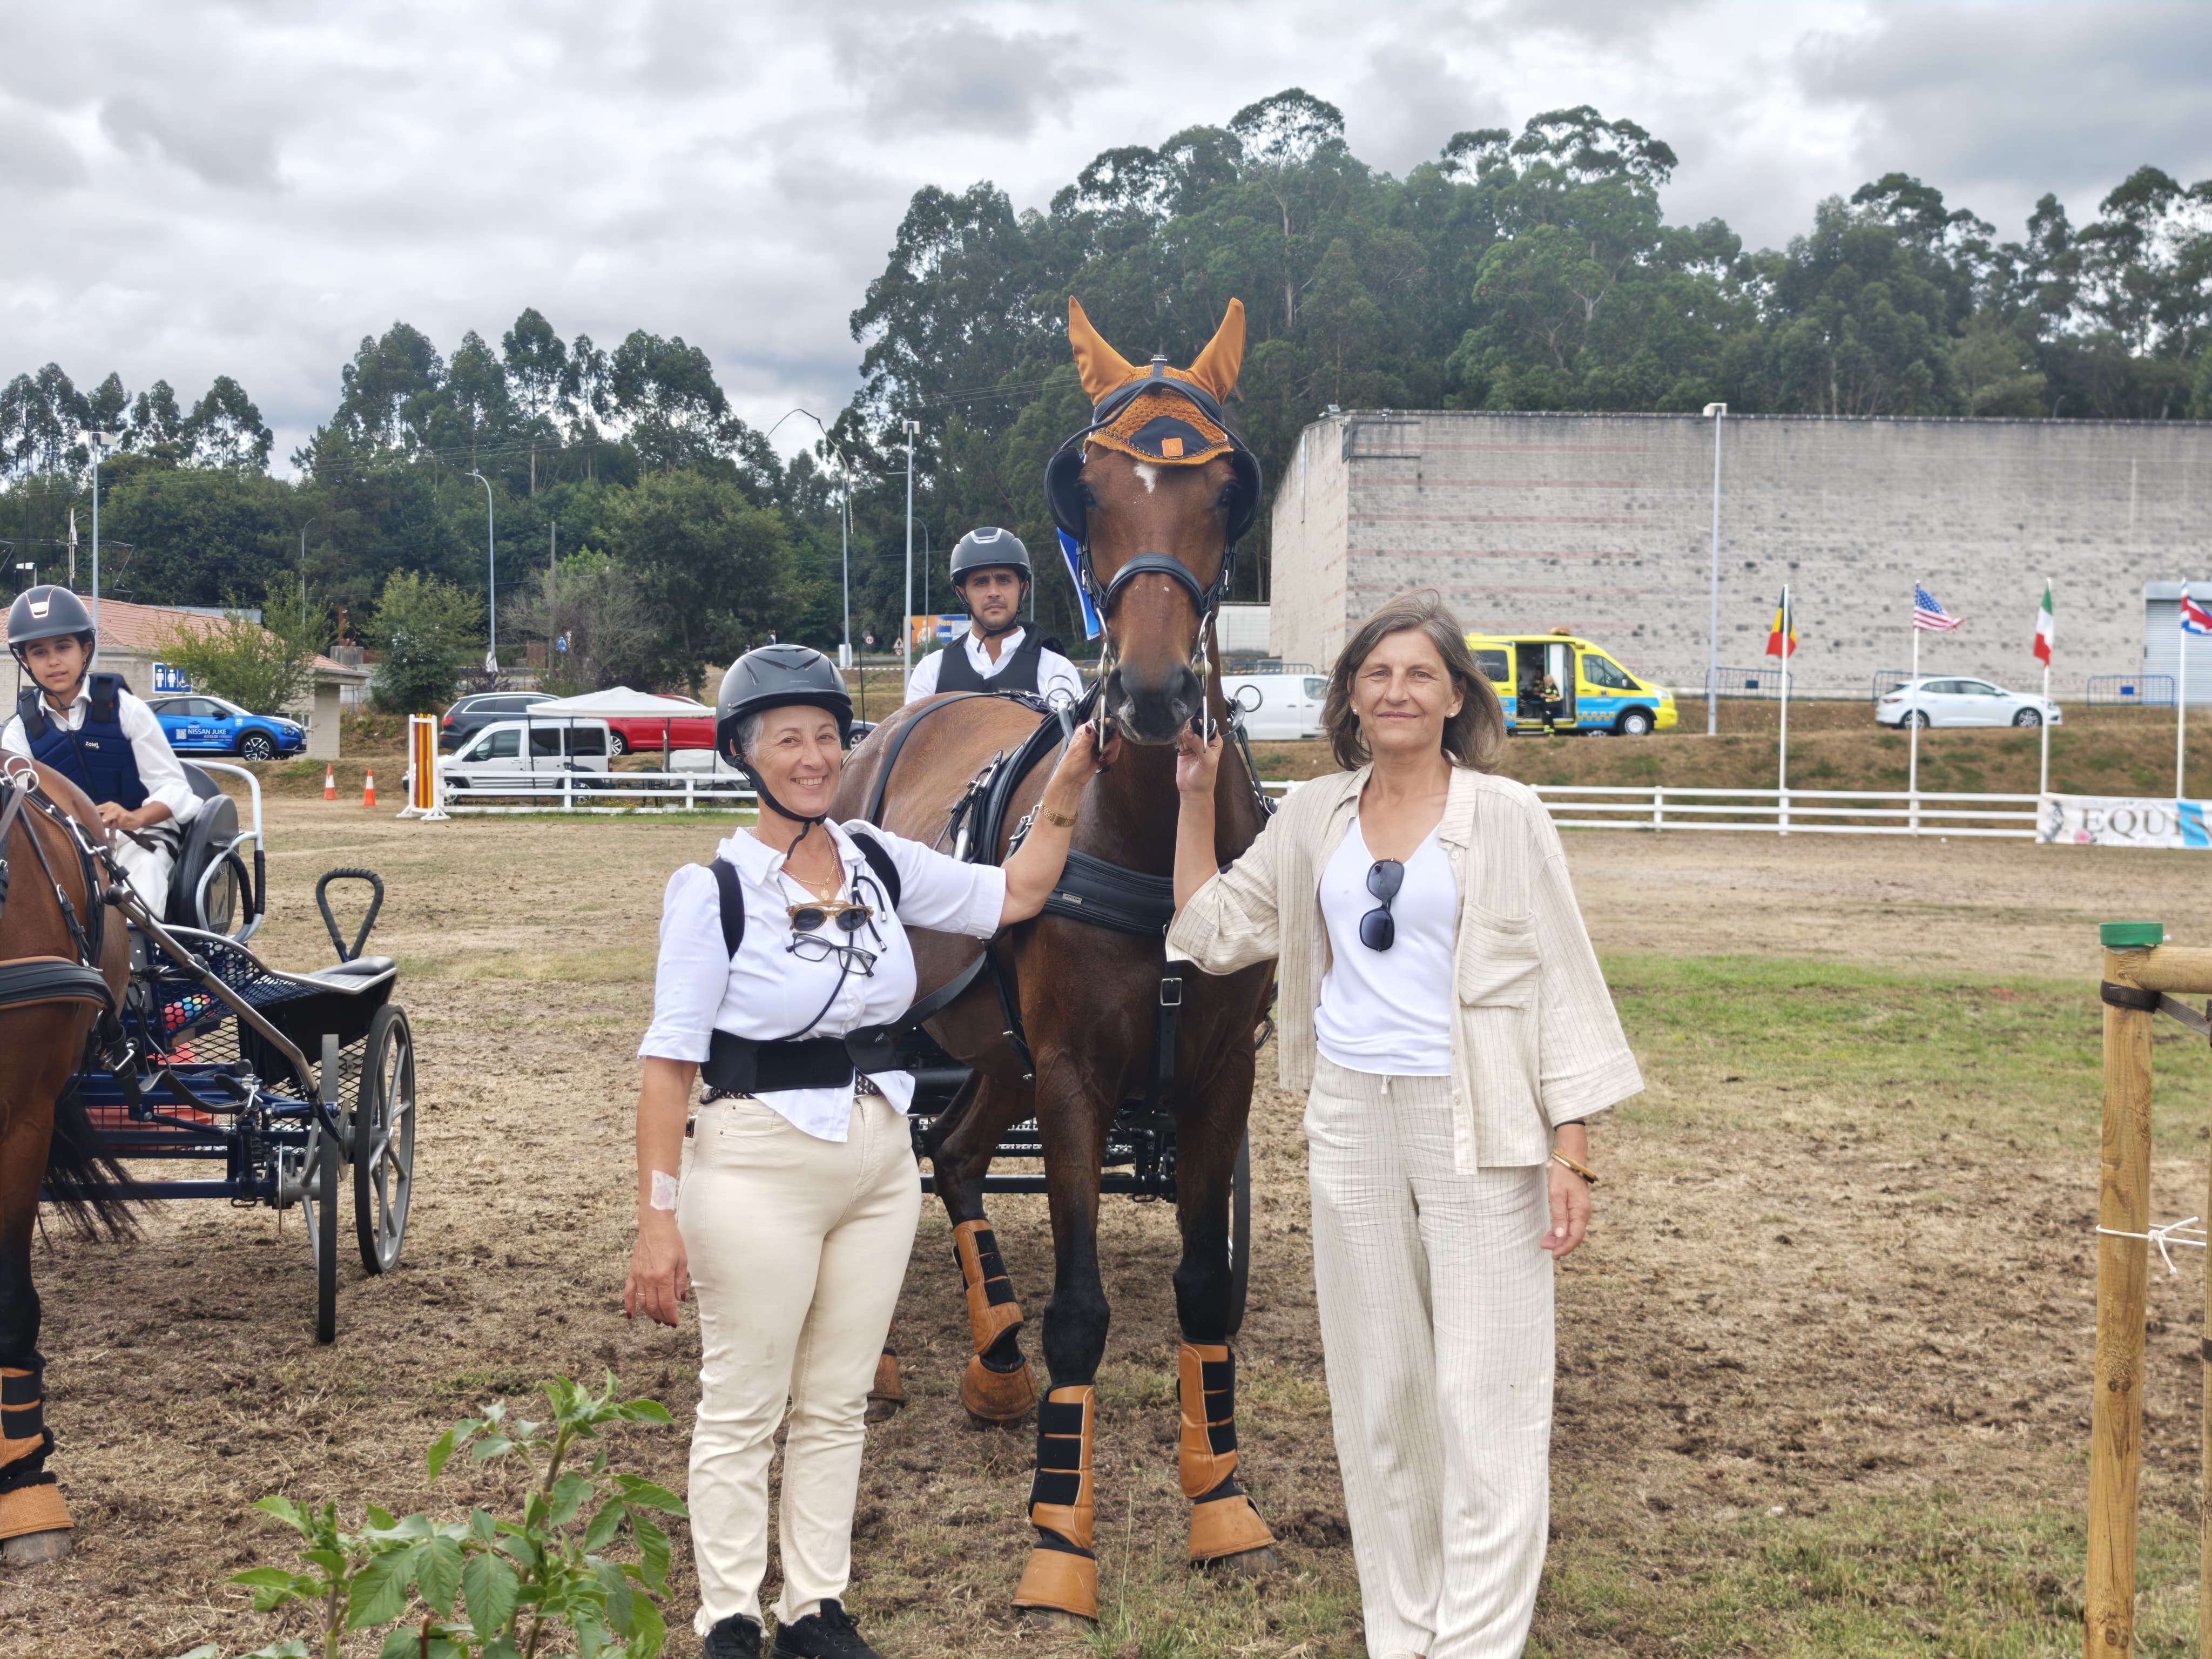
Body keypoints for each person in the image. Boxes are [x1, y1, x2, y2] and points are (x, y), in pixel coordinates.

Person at [1165, 590, 1640, 1659]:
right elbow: (1208, 930)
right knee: (1382, 1391)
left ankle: (1473, 1640)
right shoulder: (1314, 815)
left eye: (1419, 673)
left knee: (1486, 1388)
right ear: (1345, 695)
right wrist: (1195, 797)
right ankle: (1403, 1627)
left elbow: (1564, 980)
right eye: (1376, 673)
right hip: (1349, 1117)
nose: (1396, 690)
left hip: (1478, 1121)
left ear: (1455, 696)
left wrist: (1572, 1148)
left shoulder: (1507, 818)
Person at [626, 643, 1118, 1659]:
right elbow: (668, 1068)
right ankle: (727, 1614)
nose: (813, 757)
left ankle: (815, 1605)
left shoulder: (877, 859)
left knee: (837, 1397)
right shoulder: (714, 890)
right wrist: (656, 1218)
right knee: (745, 1402)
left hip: (877, 1158)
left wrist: (1067, 779)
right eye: (787, 739)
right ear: (745, 754)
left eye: (824, 736)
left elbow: (1018, 890)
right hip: (756, 1157)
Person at [3, 585, 199, 913]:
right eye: (38, 652)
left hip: (137, 840)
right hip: (64, 849)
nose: (53, 661)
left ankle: (144, 962)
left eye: (63, 647)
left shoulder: (126, 709)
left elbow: (174, 788)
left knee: (141, 894)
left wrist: (134, 818)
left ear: (86, 649)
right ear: (25, 661)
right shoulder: (18, 732)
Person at [902, 529, 1084, 705]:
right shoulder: (931, 671)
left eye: (1004, 580)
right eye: (981, 583)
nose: (994, 592)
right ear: (962, 594)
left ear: (1024, 590)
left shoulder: (1057, 671)